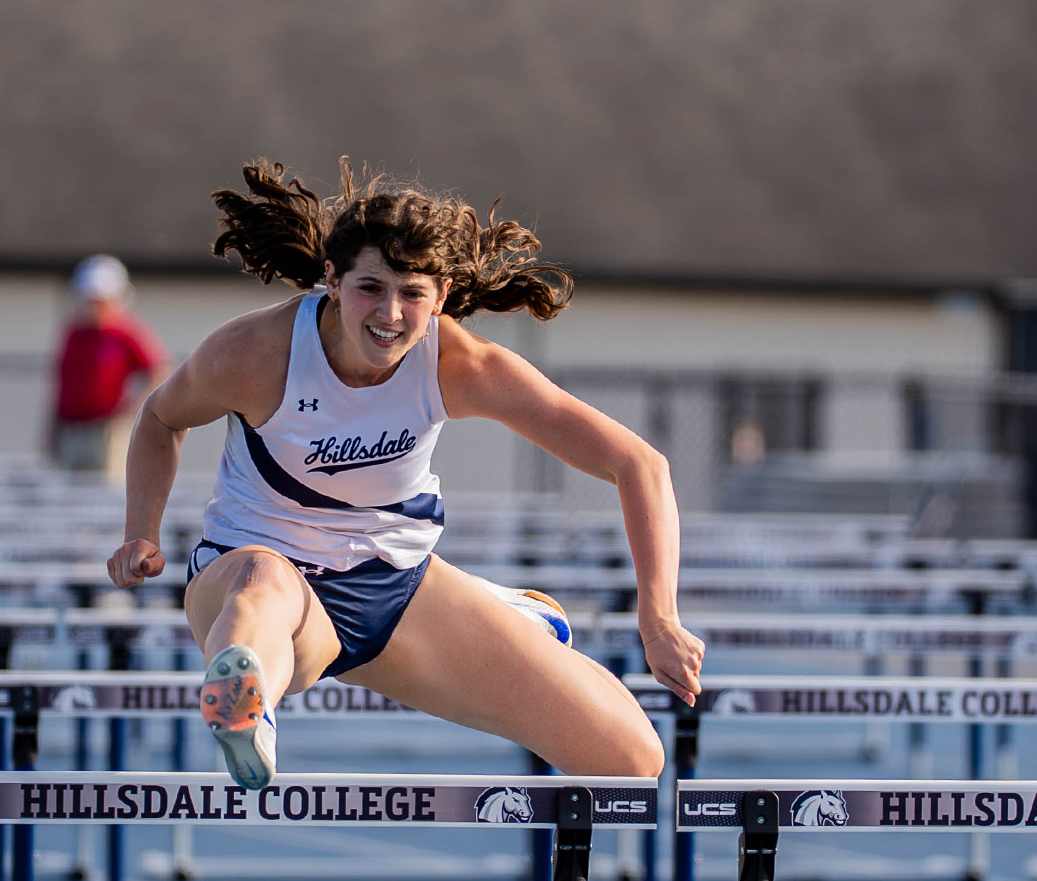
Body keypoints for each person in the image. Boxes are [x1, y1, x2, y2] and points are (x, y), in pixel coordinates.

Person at [107, 160, 701, 788]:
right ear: (331, 280)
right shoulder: (254, 354)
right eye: (371, 287)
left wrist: (658, 618)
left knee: (631, 760)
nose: (389, 314)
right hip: (252, 569)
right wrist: (140, 532)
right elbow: (159, 421)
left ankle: (496, 608)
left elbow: (638, 463)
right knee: (263, 584)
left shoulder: (460, 364)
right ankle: (243, 705)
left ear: (441, 297)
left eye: (413, 293)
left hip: (394, 587)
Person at [46, 255, 169, 475]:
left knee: (104, 495)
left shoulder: (126, 331)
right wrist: (52, 430)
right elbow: (62, 384)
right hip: (70, 429)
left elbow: (158, 371)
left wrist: (132, 411)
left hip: (107, 431)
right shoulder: (74, 332)